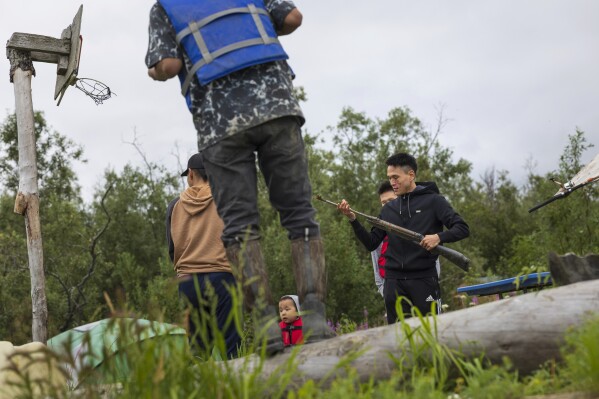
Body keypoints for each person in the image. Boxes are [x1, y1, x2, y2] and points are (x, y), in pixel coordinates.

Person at [147, 0, 331, 355]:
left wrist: (156, 72)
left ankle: (265, 325)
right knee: (299, 214)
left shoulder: (165, 7)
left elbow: (167, 64)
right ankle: (316, 317)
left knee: (242, 226)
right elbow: (292, 18)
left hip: (220, 123)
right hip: (278, 106)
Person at [338, 153, 469, 323]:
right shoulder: (388, 209)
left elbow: (462, 228)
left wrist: (438, 237)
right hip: (393, 284)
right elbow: (371, 243)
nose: (392, 182)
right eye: (389, 178)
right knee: (398, 339)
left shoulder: (434, 201)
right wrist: (352, 219)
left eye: (396, 177)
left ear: (411, 175)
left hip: (424, 280)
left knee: (432, 333)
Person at [166, 153, 241, 359]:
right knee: (231, 343)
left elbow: (171, 248)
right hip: (222, 277)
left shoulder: (174, 206)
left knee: (198, 347)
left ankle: (202, 389)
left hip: (189, 281)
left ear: (191, 174)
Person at [370, 181, 396, 297]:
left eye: (391, 200)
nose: (387, 205)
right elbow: (376, 264)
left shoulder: (414, 223)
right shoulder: (379, 230)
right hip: (390, 290)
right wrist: (383, 290)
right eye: (383, 202)